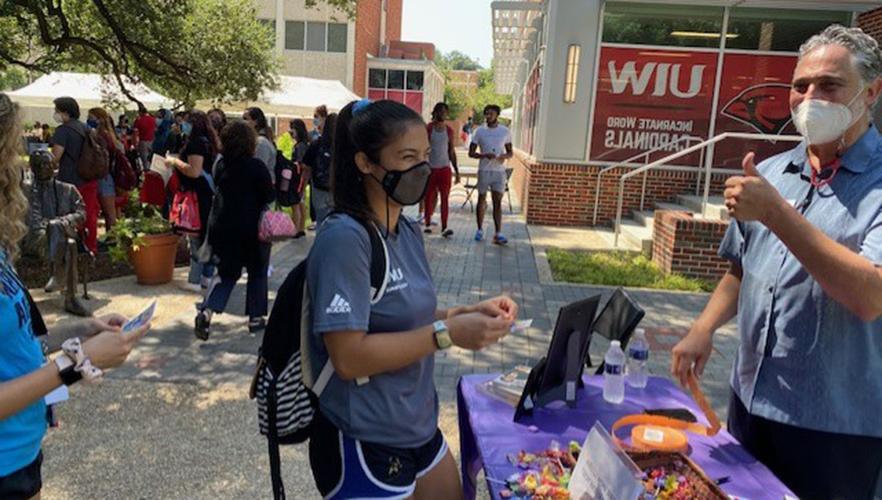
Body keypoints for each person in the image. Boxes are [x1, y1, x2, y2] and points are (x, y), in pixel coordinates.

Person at [671, 25, 882, 499]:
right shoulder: (772, 174)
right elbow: (741, 267)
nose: (810, 98)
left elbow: (871, 296)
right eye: (800, 85)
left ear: (871, 93)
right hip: (750, 404)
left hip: (836, 427)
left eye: (829, 85)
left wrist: (776, 213)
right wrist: (703, 328)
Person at [306, 98, 518, 499]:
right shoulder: (344, 240)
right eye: (406, 157)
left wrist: (466, 312)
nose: (421, 168)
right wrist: (448, 333)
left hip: (416, 425)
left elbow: (406, 313)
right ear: (365, 162)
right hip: (365, 437)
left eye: (424, 155)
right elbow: (348, 358)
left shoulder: (406, 231)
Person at [0, 92, 151, 500]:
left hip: (20, 456)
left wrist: (78, 331)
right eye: (13, 152)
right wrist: (75, 362)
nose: (21, 166)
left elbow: (10, 342)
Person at [195, 121, 274, 339]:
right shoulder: (256, 167)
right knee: (257, 272)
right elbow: (269, 195)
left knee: (227, 273)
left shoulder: (220, 165)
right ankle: (256, 318)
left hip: (223, 226)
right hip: (251, 229)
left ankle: (208, 310)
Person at [22, 150, 90, 317]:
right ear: (31, 167)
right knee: (68, 243)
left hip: (60, 235)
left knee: (62, 234)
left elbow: (82, 213)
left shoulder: (67, 189)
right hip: (34, 240)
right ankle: (69, 296)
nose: (41, 167)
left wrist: (63, 221)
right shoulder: (24, 190)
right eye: (37, 164)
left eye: (45, 163)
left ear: (54, 166)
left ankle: (58, 279)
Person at [164, 111, 218, 292]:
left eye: (185, 122)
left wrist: (174, 161)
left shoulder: (196, 144)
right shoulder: (209, 141)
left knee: (196, 236)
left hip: (197, 195)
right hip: (206, 194)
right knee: (205, 235)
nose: (182, 125)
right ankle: (207, 277)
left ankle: (195, 279)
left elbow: (194, 171)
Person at [50, 97, 99, 253]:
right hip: (89, 176)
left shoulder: (63, 130)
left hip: (70, 180)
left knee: (68, 215)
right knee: (89, 214)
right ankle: (91, 246)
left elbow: (55, 157)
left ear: (65, 112)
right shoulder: (86, 129)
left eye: (57, 110)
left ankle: (71, 247)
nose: (55, 114)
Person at [469, 105, 513, 245]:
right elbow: (471, 152)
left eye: (491, 113)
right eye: (486, 113)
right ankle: (480, 229)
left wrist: (503, 157)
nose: (488, 116)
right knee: (481, 199)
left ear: (497, 115)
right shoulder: (479, 131)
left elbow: (510, 152)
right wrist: (484, 155)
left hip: (499, 171)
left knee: (497, 202)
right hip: (484, 170)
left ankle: (498, 233)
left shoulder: (505, 131)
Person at [424, 102, 460, 237]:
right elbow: (423, 149)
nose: (442, 114)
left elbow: (451, 151)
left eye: (445, 111)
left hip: (445, 169)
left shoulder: (449, 130)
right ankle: (427, 223)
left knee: (445, 198)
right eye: (440, 111)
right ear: (435, 113)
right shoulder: (428, 128)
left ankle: (444, 227)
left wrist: (456, 171)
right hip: (430, 168)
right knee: (429, 197)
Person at [87, 107, 123, 232]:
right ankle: (111, 238)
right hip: (106, 175)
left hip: (104, 176)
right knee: (109, 213)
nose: (88, 120)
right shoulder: (108, 134)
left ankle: (113, 240)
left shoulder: (102, 135)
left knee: (109, 213)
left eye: (91, 117)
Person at [302, 113, 336, 227]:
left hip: (319, 188)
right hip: (337, 189)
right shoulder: (343, 145)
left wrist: (302, 187)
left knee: (321, 221)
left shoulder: (316, 143)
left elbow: (306, 166)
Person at [288, 119, 310, 238]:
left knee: (295, 203)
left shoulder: (300, 146)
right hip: (300, 177)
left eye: (292, 128)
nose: (290, 131)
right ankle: (300, 228)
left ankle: (296, 229)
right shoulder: (302, 144)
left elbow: (302, 164)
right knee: (300, 202)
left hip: (298, 177)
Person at [242, 107, 277, 184]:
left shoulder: (261, 143)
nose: (242, 122)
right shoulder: (255, 141)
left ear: (256, 122)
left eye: (246, 119)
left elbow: (259, 168)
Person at [133, 105, 156, 169]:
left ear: (140, 112)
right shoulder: (153, 119)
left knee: (145, 160)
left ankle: (147, 173)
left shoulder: (138, 120)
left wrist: (135, 144)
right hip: (152, 141)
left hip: (143, 142)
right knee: (151, 159)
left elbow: (135, 133)